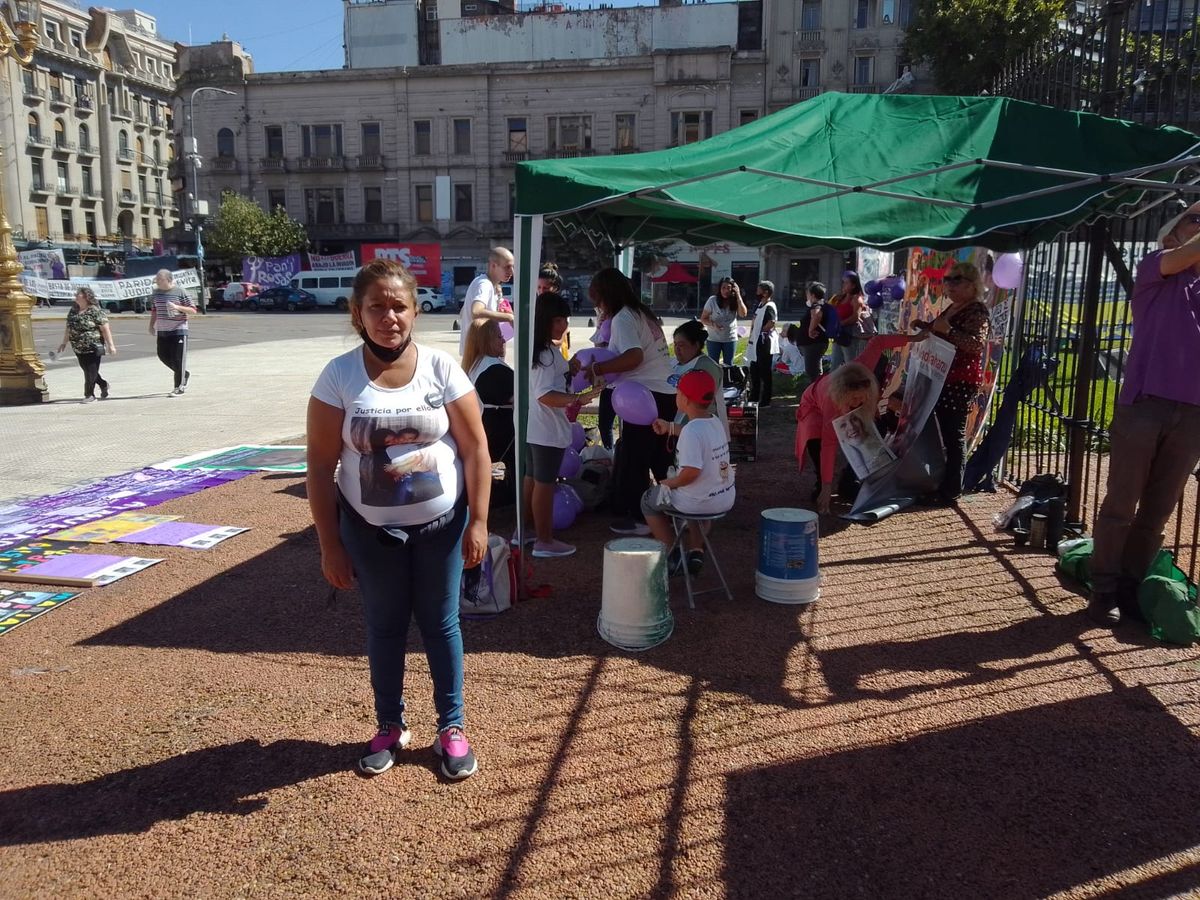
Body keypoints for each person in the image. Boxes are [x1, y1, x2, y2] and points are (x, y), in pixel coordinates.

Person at [306, 258, 491, 780]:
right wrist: (330, 545)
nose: (390, 317)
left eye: (399, 306)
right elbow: (320, 468)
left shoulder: (441, 368)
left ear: (415, 311)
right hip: (369, 532)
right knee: (385, 627)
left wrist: (478, 520)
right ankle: (389, 724)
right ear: (357, 313)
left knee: (441, 623)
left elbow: (477, 448)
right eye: (377, 307)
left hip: (443, 527)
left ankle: (451, 727)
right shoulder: (338, 376)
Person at [1087, 205, 1200, 626]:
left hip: (1193, 413)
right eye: (1196, 218)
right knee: (1121, 502)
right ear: (1170, 237)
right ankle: (1103, 590)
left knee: (1160, 507)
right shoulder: (1155, 269)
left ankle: (1130, 587)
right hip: (1144, 405)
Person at [578, 267, 675, 536]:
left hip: (644, 397)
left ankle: (640, 519)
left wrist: (599, 369)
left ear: (606, 295)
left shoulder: (623, 318)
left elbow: (633, 357)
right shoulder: (641, 313)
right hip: (664, 394)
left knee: (635, 458)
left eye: (597, 299)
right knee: (661, 457)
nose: (597, 306)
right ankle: (676, 509)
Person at [795, 332, 926, 513]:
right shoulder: (831, 403)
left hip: (843, 398)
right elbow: (829, 445)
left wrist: (914, 338)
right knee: (815, 437)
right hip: (814, 406)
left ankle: (850, 478)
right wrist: (826, 487)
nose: (857, 404)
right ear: (843, 395)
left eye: (861, 399)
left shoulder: (863, 367)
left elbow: (879, 341)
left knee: (873, 425)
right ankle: (821, 482)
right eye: (853, 400)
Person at [522, 292, 606, 558]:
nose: (563, 325)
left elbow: (544, 384)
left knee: (532, 479)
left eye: (565, 319)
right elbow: (544, 394)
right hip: (545, 427)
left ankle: (525, 531)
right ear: (545, 320)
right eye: (558, 319)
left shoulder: (539, 349)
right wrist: (578, 398)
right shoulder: (546, 353)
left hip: (533, 425)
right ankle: (544, 540)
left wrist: (569, 368)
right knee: (544, 483)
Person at [644, 369, 736, 576]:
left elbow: (690, 473)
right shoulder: (714, 422)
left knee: (649, 500)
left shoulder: (692, 433)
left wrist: (667, 483)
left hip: (699, 501)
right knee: (692, 497)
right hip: (723, 497)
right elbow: (694, 433)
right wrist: (669, 427)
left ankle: (672, 554)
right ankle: (695, 550)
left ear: (684, 399)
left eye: (677, 391)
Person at [912, 261, 990, 505]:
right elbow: (941, 333)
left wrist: (948, 330)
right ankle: (943, 483)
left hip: (959, 381)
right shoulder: (953, 307)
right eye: (948, 279)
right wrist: (925, 327)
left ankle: (951, 491)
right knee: (943, 433)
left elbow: (976, 345)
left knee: (953, 435)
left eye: (957, 280)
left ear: (972, 284)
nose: (950, 285)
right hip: (942, 376)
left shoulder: (977, 311)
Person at [462, 319, 516, 507]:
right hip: (501, 434)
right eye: (499, 337)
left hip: (485, 430)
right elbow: (522, 397)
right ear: (486, 340)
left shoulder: (475, 364)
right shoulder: (495, 369)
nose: (503, 341)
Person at [669, 319, 729, 436]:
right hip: (679, 428)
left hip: (698, 430)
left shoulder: (707, 368)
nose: (677, 349)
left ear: (696, 345)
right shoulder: (673, 363)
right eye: (675, 344)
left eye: (681, 345)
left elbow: (699, 405)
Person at [57, 286, 116, 402]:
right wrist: (63, 343)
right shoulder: (73, 310)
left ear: (85, 296)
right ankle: (103, 384)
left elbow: (105, 329)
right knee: (88, 370)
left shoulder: (95, 311)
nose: (75, 295)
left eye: (78, 293)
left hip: (93, 346)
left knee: (91, 371)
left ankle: (89, 395)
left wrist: (111, 345)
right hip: (78, 347)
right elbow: (68, 328)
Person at [458, 247, 514, 356]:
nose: (511, 271)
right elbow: (476, 311)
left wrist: (506, 321)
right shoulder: (484, 284)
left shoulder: (489, 285)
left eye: (512, 267)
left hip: (482, 353)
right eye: (507, 267)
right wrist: (509, 318)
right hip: (480, 355)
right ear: (493, 265)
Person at [148, 269, 195, 396]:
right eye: (156, 279)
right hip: (163, 330)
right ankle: (184, 374)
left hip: (179, 329)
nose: (157, 281)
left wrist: (177, 307)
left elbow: (193, 310)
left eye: (159, 279)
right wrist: (151, 325)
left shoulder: (181, 291)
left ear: (168, 280)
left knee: (178, 359)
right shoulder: (156, 293)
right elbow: (154, 310)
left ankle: (179, 387)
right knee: (162, 355)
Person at [745, 280, 779, 407]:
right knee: (754, 369)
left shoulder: (770, 306)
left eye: (759, 290)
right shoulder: (760, 304)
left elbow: (771, 322)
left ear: (765, 292)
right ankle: (754, 396)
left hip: (764, 342)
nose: (756, 292)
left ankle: (766, 399)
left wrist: (761, 332)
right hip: (755, 342)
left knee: (764, 371)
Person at [700, 276, 747, 366]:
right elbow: (703, 318)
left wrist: (738, 295)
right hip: (713, 339)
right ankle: (716, 380)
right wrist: (713, 324)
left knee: (728, 365)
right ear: (719, 289)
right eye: (723, 288)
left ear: (733, 289)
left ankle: (727, 380)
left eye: (728, 288)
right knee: (713, 365)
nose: (725, 290)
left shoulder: (735, 300)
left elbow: (743, 314)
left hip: (730, 339)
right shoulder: (712, 300)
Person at [830, 271, 868, 370]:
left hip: (850, 335)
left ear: (853, 285)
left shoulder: (857, 299)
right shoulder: (841, 298)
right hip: (839, 334)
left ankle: (851, 383)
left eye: (846, 283)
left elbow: (855, 317)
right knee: (834, 364)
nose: (843, 285)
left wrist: (841, 323)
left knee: (850, 363)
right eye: (843, 282)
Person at [796, 282, 831, 381]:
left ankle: (815, 393)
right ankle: (816, 391)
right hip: (814, 344)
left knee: (812, 371)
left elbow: (817, 315)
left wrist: (810, 330)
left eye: (808, 293)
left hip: (813, 343)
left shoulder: (816, 305)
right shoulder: (821, 305)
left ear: (813, 295)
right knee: (815, 370)